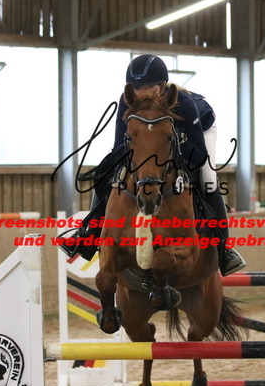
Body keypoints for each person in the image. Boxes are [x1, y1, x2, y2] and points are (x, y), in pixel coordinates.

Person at [59, 54, 246, 276]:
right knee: (106, 174)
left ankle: (225, 249)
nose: (144, 92)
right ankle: (88, 235)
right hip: (149, 136)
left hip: (196, 134)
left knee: (208, 180)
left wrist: (172, 147)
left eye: (150, 86)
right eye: (138, 87)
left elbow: (198, 154)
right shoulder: (127, 100)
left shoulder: (185, 104)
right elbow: (120, 145)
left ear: (163, 85)